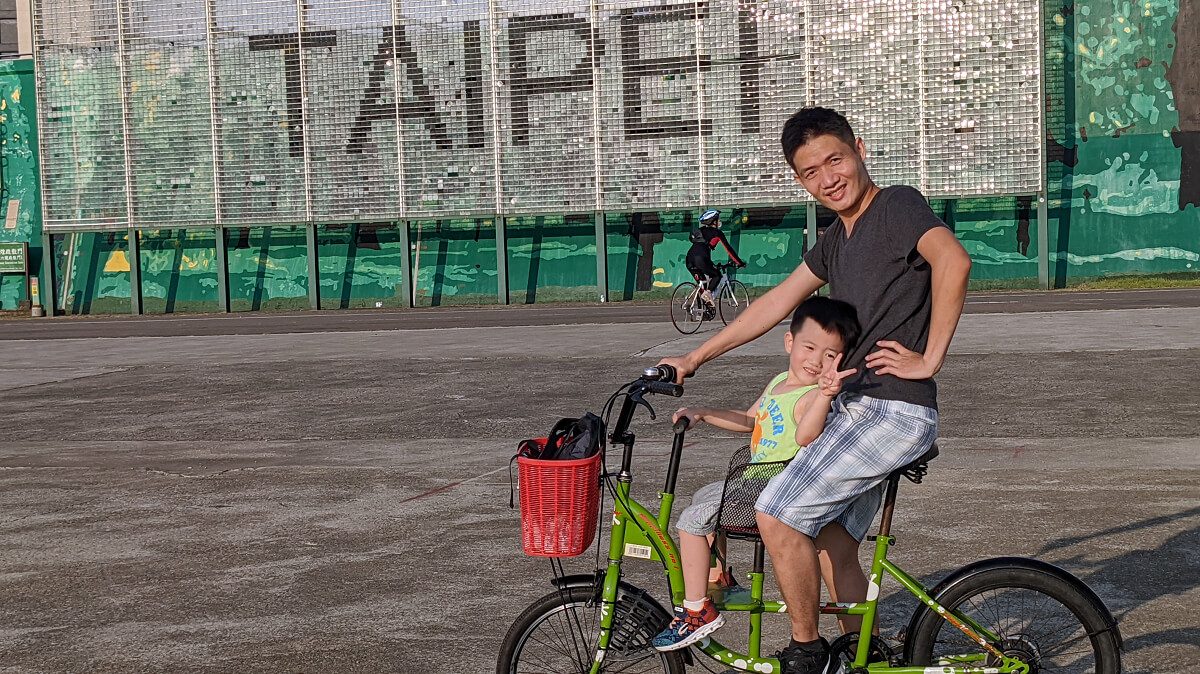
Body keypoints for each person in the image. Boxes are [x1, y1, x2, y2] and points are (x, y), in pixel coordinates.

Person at [657, 106, 972, 674]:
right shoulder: (836, 239)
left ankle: (807, 653)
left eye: (836, 159)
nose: (829, 178)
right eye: (811, 171)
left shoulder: (895, 205)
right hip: (853, 408)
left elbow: (953, 261)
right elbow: (776, 303)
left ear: (859, 149)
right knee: (829, 539)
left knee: (776, 512)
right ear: (800, 180)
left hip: (891, 409)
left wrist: (930, 359)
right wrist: (694, 356)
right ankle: (860, 650)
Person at [651, 297, 861, 652]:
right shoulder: (780, 382)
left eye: (830, 355)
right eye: (810, 347)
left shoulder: (812, 396)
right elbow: (750, 421)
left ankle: (697, 609)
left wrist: (826, 395)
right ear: (790, 343)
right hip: (753, 480)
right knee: (704, 497)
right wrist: (703, 411)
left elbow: (806, 434)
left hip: (774, 487)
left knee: (690, 521)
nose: (816, 360)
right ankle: (720, 578)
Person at [687, 209, 746, 309]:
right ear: (713, 221)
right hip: (701, 259)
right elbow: (729, 250)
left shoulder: (700, 231)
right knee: (717, 275)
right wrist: (739, 263)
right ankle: (708, 294)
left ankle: (701, 312)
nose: (719, 222)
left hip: (689, 259)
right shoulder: (717, 233)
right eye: (718, 219)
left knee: (702, 285)